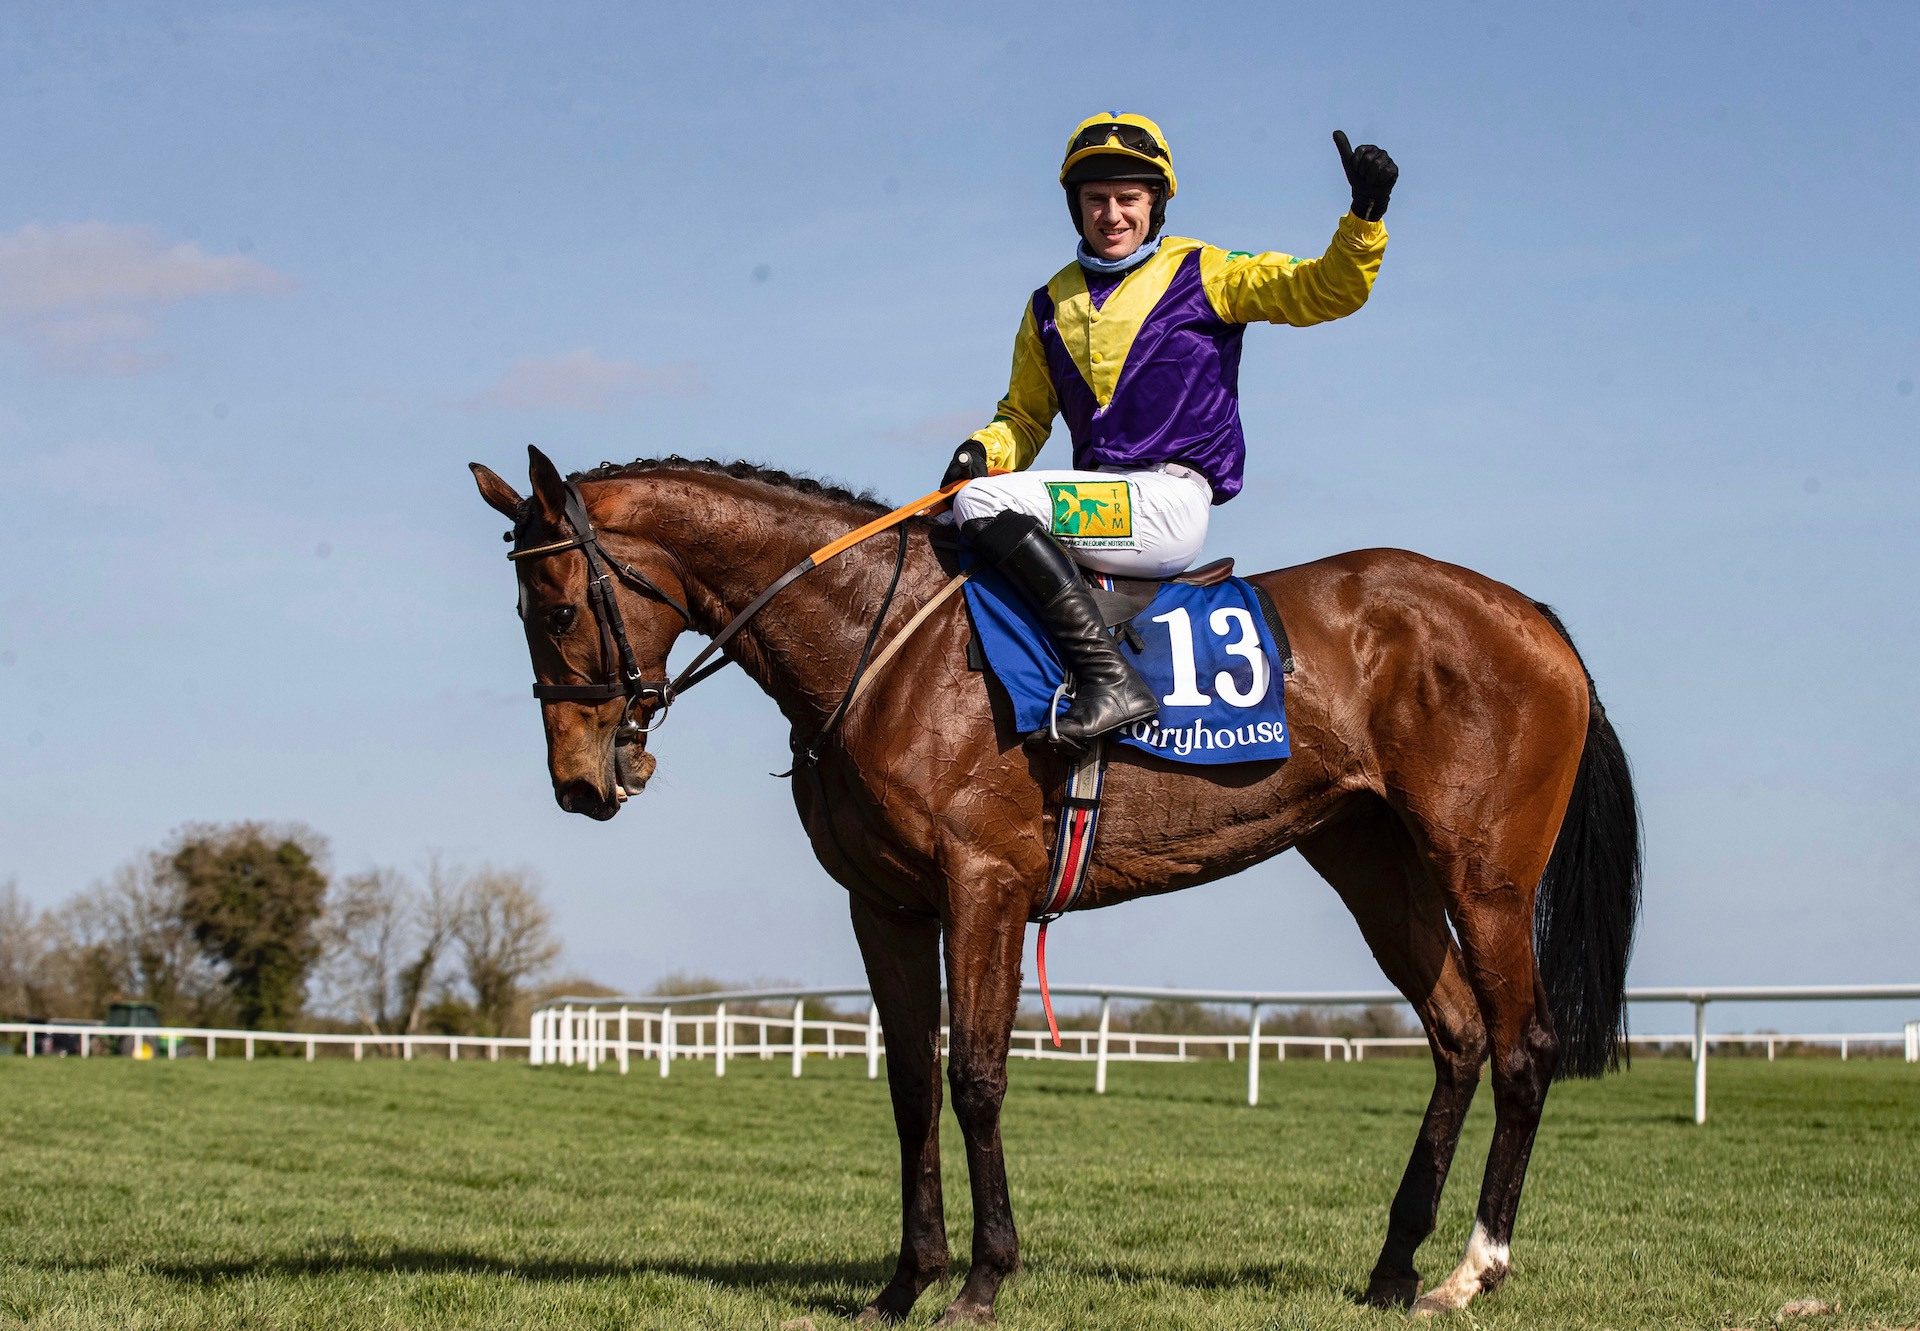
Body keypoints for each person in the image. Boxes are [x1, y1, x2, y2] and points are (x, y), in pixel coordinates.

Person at [945, 112, 1398, 750]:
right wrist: (982, 449)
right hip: (1097, 509)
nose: (1112, 215)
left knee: (982, 504)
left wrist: (1364, 217)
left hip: (1167, 504)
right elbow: (1023, 419)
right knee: (949, 522)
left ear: (1155, 204)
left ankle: (1112, 685)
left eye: (1128, 199)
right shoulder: (1049, 303)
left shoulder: (1206, 272)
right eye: (1096, 200)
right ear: (1075, 208)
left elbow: (1325, 292)